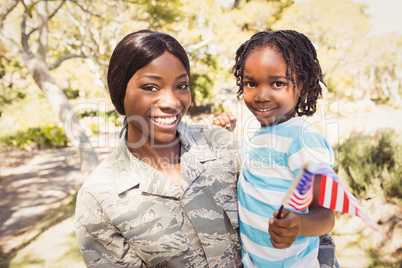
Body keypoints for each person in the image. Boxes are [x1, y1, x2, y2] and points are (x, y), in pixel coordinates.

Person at [75, 30, 243, 267]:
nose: (172, 102)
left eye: (181, 85)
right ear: (119, 91)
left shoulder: (224, 146)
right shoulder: (99, 197)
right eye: (151, 87)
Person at [213, 30, 338, 267]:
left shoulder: (302, 139)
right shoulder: (262, 134)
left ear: (303, 85)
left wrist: (299, 224)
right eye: (251, 83)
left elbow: (326, 215)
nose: (261, 95)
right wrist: (226, 136)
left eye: (278, 83)